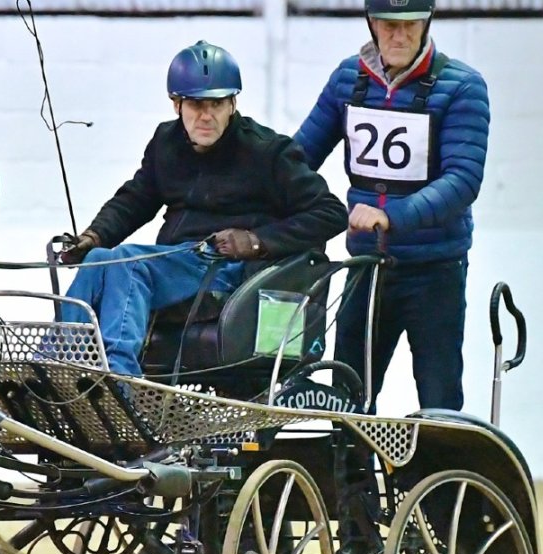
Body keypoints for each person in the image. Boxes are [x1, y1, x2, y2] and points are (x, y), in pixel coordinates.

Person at [54, 40, 347, 378]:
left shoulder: (268, 152)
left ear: (233, 103)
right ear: (176, 104)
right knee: (100, 260)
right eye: (195, 104)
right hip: (174, 263)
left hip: (228, 271)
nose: (206, 116)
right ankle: (58, 364)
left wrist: (255, 241)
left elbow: (330, 213)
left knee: (129, 266)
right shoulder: (166, 142)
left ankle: (119, 379)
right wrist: (94, 236)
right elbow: (135, 199)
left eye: (217, 104)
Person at [292, 0, 489, 414]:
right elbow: (298, 158)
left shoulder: (463, 87)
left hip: (434, 271)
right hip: (366, 269)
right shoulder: (348, 79)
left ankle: (441, 477)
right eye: (388, 24)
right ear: (372, 24)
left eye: (410, 25)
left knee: (440, 399)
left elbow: (462, 180)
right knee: (348, 399)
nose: (399, 36)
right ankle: (348, 477)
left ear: (425, 23)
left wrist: (391, 216)